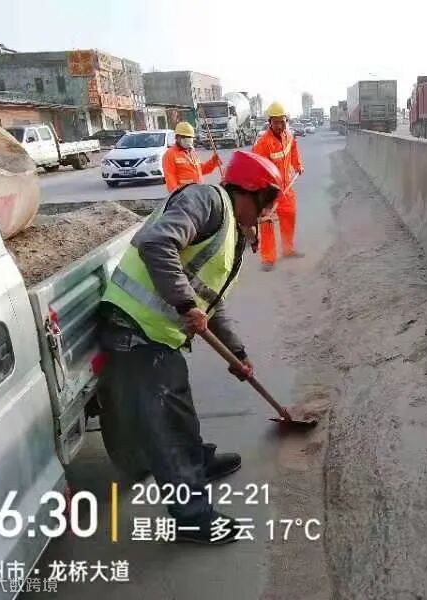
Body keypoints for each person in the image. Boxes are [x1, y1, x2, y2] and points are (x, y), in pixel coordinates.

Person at [97, 151, 282, 545]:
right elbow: (156, 242)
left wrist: (238, 354)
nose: (266, 214)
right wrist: (184, 305)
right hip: (133, 328)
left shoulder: (231, 234)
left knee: (178, 406)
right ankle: (192, 518)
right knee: (166, 428)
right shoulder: (207, 201)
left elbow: (210, 304)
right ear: (248, 192)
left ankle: (198, 461)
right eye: (266, 203)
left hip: (159, 335)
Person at [251, 101, 304, 270]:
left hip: (287, 187)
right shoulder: (263, 144)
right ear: (270, 122)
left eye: (282, 121)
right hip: (269, 190)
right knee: (267, 222)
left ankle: (288, 249)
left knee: (289, 215)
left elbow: (293, 149)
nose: (280, 125)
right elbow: (257, 169)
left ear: (286, 121)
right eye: (276, 122)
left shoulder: (289, 136)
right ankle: (268, 258)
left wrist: (297, 165)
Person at [162, 121, 222, 192]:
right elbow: (170, 176)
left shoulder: (192, 152)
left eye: (190, 137)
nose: (188, 139)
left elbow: (201, 169)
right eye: (185, 137)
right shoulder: (170, 154)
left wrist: (213, 162)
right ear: (177, 137)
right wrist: (176, 193)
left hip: (198, 191)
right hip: (184, 193)